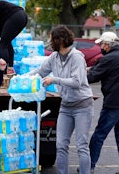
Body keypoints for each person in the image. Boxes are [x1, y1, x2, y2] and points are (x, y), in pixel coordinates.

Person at [30, 25, 94, 174]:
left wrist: (54, 80)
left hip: (82, 106)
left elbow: (76, 82)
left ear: (60, 40)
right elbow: (41, 72)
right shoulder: (54, 57)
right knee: (60, 145)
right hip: (66, 106)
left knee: (82, 145)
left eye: (52, 38)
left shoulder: (76, 56)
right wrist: (21, 78)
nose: (50, 41)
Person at [87, 32, 119, 174]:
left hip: (114, 104)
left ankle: (89, 166)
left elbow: (91, 77)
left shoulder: (109, 58)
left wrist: (78, 75)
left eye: (101, 44)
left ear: (107, 45)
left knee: (99, 135)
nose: (100, 47)